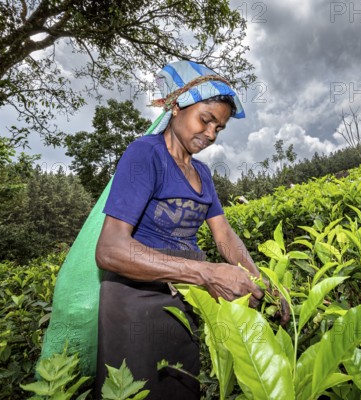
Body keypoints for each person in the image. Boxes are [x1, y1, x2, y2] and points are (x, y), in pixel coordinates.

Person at [93, 60, 266, 399]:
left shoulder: (203, 174)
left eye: (220, 127)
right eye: (206, 120)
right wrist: (204, 273)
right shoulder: (145, 154)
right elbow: (110, 249)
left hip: (183, 302)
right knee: (133, 391)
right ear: (176, 107)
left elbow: (224, 236)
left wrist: (259, 281)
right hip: (134, 304)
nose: (211, 134)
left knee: (180, 388)